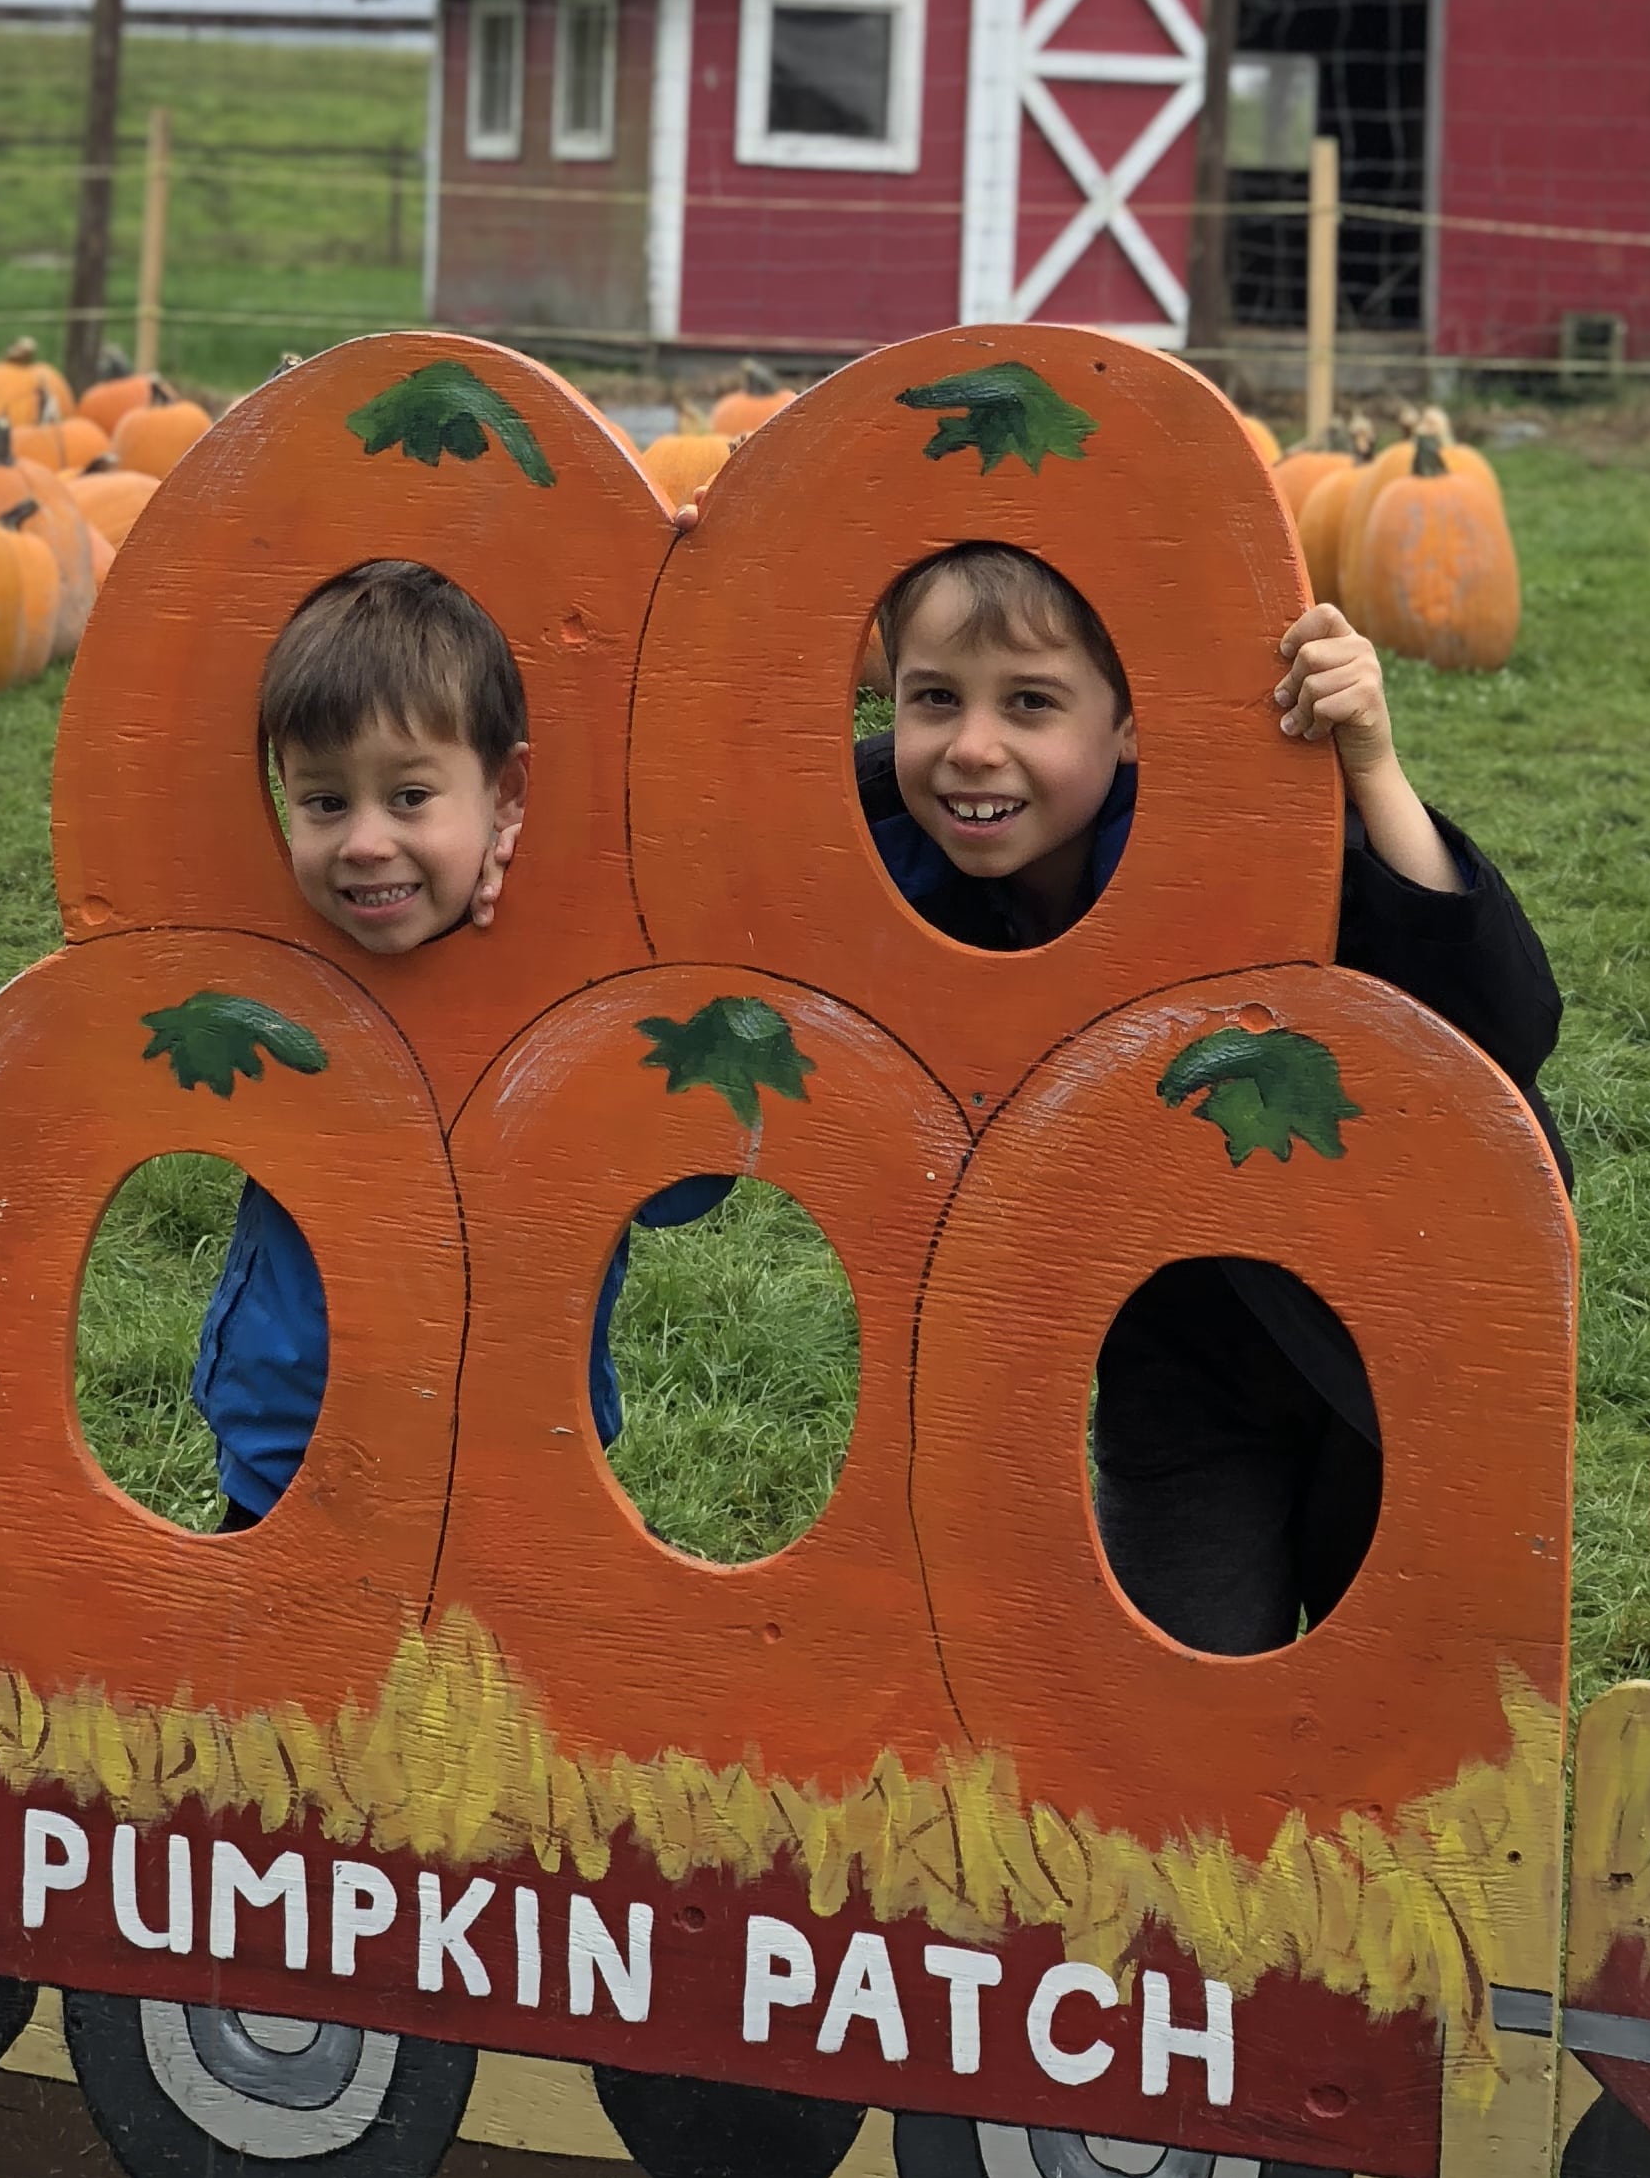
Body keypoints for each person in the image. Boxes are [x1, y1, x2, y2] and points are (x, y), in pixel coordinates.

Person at [860, 543, 1566, 1656]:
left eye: (1032, 703)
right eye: (933, 699)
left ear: (1137, 723)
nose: (973, 748)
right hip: (1174, 1350)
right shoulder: (878, 854)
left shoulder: (1246, 841)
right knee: (1178, 1695)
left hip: (1395, 1329)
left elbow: (1503, 1025)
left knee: (1383, 1696)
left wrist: (1373, 770)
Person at [193, 559, 720, 1523]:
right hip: (286, 1455)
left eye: (409, 798)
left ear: (508, 793)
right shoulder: (266, 972)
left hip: (523, 1465)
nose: (362, 843)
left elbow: (684, 1186)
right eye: (322, 802)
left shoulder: (577, 985)